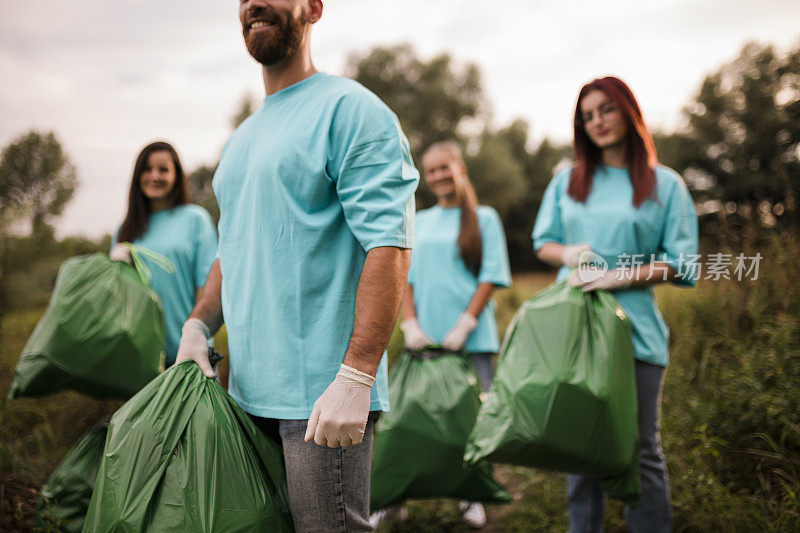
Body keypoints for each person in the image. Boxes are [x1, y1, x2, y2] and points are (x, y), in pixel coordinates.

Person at [174, 1, 419, 531]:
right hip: (242, 398)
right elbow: (231, 251)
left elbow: (389, 246)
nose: (253, 4)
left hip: (321, 402)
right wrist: (198, 324)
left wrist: (356, 376)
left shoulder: (353, 111)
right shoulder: (239, 142)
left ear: (312, 8)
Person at [532, 76, 698, 533]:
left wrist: (618, 276)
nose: (598, 121)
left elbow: (684, 262)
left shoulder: (666, 184)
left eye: (606, 109)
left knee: (641, 451)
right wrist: (568, 254)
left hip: (637, 337)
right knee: (580, 452)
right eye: (588, 115)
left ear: (628, 111)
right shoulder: (568, 181)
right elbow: (543, 241)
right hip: (576, 334)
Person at [376, 141, 511, 528]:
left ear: (460, 168)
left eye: (443, 168)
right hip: (426, 341)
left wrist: (466, 323)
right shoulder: (420, 218)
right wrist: (409, 323)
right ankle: (395, 495)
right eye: (430, 171)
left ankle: (471, 494)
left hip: (471, 341)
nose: (437, 176)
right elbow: (407, 278)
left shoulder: (484, 218)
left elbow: (491, 274)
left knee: (473, 420)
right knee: (407, 420)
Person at [109, 141, 217, 368]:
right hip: (138, 359)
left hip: (188, 354)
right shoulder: (125, 230)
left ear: (177, 175)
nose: (154, 176)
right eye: (147, 169)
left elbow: (206, 288)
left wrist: (199, 338)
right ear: (138, 176)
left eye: (163, 169)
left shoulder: (195, 220)